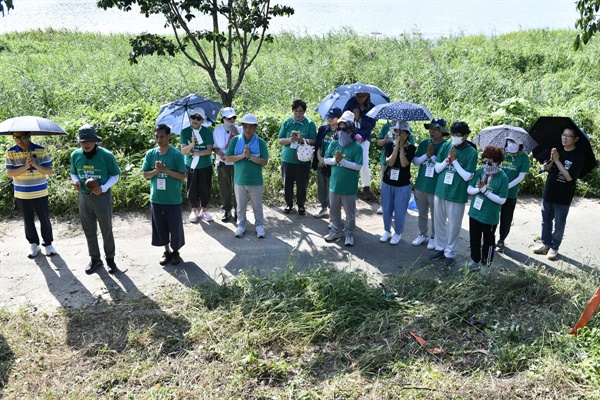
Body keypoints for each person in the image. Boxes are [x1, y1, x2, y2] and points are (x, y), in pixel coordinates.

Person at [70, 124, 121, 274]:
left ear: (95, 141)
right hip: (84, 197)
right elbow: (73, 172)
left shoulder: (106, 155)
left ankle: (110, 259)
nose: (85, 144)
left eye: (89, 141)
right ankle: (95, 259)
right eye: (82, 141)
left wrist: (103, 188)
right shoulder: (76, 155)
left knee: (106, 229)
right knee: (89, 230)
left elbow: (115, 175)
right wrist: (76, 181)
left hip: (102, 197)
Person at [430, 121, 478, 267]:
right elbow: (437, 169)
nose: (454, 137)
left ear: (465, 136)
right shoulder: (446, 146)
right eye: (452, 134)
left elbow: (466, 176)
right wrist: (447, 160)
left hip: (457, 195)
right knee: (439, 222)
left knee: (454, 226)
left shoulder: (472, 152)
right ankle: (440, 247)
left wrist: (455, 161)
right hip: (441, 190)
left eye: (458, 135)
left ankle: (450, 252)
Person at [533, 127, 584, 260]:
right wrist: (551, 159)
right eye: (563, 135)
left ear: (576, 139)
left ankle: (554, 247)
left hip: (564, 195)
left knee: (559, 223)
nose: (564, 138)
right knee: (545, 221)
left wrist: (557, 160)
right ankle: (545, 244)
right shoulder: (557, 150)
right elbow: (546, 168)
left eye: (568, 136)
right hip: (549, 191)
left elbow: (569, 177)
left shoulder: (578, 156)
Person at [4, 131, 57, 258]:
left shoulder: (40, 150)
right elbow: (10, 173)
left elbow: (49, 171)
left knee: (44, 219)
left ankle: (48, 243)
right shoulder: (10, 152)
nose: (19, 140)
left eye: (22, 137)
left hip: (40, 191)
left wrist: (35, 164)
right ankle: (33, 244)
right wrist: (25, 166)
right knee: (28, 221)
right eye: (15, 137)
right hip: (22, 193)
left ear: (29, 136)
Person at [142, 124, 187, 266]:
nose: (159, 139)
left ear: (168, 136)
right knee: (160, 227)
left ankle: (176, 252)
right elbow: (145, 175)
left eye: (162, 136)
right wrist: (157, 171)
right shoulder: (150, 154)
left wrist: (165, 170)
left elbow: (182, 176)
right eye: (156, 136)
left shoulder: (176, 154)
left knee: (175, 227)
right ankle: (166, 251)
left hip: (173, 199)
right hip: (157, 198)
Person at [225, 113, 269, 238]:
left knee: (257, 205)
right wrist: (242, 156)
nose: (247, 130)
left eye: (250, 127)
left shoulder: (260, 142)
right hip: (239, 179)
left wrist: (250, 157)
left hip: (255, 180)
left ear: (255, 128)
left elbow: (264, 161)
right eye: (245, 127)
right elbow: (228, 158)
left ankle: (259, 226)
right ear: (242, 127)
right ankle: (241, 225)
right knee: (241, 205)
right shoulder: (235, 140)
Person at [466, 146, 509, 272]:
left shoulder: (503, 177)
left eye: (489, 162)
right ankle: (475, 259)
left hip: (489, 216)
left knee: (488, 241)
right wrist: (478, 189)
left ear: (497, 162)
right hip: (474, 212)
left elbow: (502, 200)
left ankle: (486, 264)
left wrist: (485, 192)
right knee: (474, 238)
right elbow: (469, 189)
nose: (486, 164)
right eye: (484, 161)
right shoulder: (480, 172)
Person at [411, 118, 451, 250]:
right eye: (431, 129)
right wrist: (426, 156)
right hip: (421, 185)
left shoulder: (447, 146)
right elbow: (415, 162)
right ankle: (423, 234)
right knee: (421, 213)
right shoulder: (424, 143)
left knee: (436, 215)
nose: (432, 132)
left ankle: (434, 237)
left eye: (436, 129)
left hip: (436, 187)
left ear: (442, 132)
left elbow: (444, 166)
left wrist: (432, 157)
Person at [323, 118, 363, 246]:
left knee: (350, 213)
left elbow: (358, 166)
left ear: (351, 130)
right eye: (339, 129)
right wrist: (335, 160)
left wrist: (343, 161)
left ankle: (349, 233)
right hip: (335, 185)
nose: (341, 131)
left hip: (349, 187)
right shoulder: (334, 143)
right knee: (334, 210)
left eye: (344, 129)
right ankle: (336, 230)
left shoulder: (356, 147)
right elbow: (325, 159)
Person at [379, 121, 416, 245]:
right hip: (388, 182)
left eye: (401, 132)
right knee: (386, 208)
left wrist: (401, 148)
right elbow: (389, 162)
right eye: (396, 132)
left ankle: (398, 233)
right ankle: (387, 230)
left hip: (403, 184)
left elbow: (405, 163)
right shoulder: (389, 144)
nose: (398, 134)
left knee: (400, 211)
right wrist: (396, 147)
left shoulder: (411, 148)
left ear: (407, 134)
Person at [278, 99, 317, 215]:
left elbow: (314, 141)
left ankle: (301, 205)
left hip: (303, 159)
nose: (298, 114)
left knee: (302, 184)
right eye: (296, 111)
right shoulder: (287, 122)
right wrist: (290, 140)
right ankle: (289, 204)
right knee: (287, 183)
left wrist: (301, 140)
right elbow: (280, 140)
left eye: (300, 111)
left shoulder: (309, 124)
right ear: (292, 111)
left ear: (304, 112)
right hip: (288, 158)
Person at [495, 130, 530, 252]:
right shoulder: (500, 153)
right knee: (492, 215)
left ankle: (501, 240)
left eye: (515, 142)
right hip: (495, 192)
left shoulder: (524, 158)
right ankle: (489, 237)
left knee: (506, 218)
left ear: (520, 144)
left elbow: (521, 177)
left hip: (510, 194)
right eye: (510, 140)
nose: (511, 143)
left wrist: (506, 186)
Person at [180, 107, 214, 223]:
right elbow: (183, 151)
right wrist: (192, 143)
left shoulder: (207, 132)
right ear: (190, 118)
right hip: (190, 165)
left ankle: (204, 210)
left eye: (198, 118)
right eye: (193, 117)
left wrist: (195, 152)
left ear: (203, 120)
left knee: (206, 188)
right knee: (191, 187)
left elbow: (209, 150)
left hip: (205, 165)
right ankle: (193, 210)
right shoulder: (185, 132)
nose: (195, 120)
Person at [344, 92, 376, 200]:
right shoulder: (351, 103)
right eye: (358, 96)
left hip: (364, 138)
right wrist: (352, 116)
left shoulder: (371, 107)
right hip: (350, 137)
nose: (360, 98)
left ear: (368, 95)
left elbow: (372, 124)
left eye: (363, 96)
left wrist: (359, 118)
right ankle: (351, 186)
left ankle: (366, 187)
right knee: (349, 161)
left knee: (364, 164)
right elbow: (343, 118)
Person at [312, 107, 341, 218]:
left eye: (333, 117)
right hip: (321, 162)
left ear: (338, 118)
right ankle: (323, 208)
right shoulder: (323, 128)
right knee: (322, 186)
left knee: (332, 187)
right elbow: (318, 144)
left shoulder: (341, 131)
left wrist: (327, 160)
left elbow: (340, 148)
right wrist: (319, 158)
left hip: (333, 163)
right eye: (329, 117)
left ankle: (333, 211)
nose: (330, 119)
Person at [212, 107, 239, 222]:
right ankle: (227, 210)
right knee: (224, 188)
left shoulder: (240, 130)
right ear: (223, 118)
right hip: (223, 163)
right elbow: (214, 147)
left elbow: (244, 145)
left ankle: (239, 210)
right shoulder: (217, 131)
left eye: (234, 117)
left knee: (238, 188)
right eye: (229, 118)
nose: (232, 120)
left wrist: (238, 135)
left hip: (237, 163)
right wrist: (221, 154)